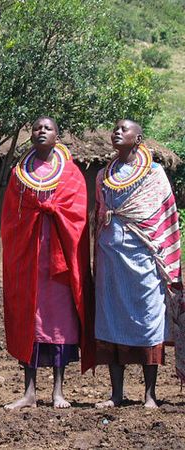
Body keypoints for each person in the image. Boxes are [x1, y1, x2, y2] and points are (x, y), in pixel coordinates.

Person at [1, 116, 94, 410]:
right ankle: (28, 392)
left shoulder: (71, 174)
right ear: (31, 136)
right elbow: (10, 218)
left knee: (59, 323)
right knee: (30, 319)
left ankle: (58, 391)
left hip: (60, 262)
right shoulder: (19, 174)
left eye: (48, 128)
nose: (41, 132)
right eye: (37, 128)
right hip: (28, 258)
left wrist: (53, 213)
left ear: (58, 135)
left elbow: (78, 214)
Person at [94, 119, 182, 409]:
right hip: (110, 259)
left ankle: (150, 394)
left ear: (138, 137)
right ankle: (116, 394)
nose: (117, 132)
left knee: (147, 320)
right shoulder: (104, 175)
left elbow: (164, 215)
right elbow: (99, 215)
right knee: (111, 320)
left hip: (143, 256)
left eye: (125, 129)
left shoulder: (154, 174)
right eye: (115, 129)